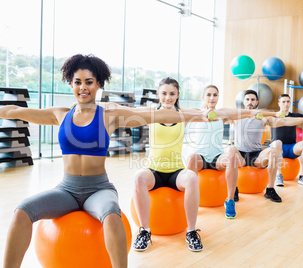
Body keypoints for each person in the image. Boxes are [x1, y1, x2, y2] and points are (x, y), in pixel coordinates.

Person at [1, 55, 207, 268]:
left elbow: (155, 115)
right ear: (70, 84)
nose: (83, 87)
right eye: (77, 82)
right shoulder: (60, 114)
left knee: (111, 214)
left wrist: (200, 115)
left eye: (89, 82)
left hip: (98, 189)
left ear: (98, 84)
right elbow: (14, 111)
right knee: (22, 212)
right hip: (66, 190)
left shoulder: (109, 114)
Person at [132, 77, 216, 252]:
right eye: (164, 93)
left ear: (178, 95)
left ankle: (191, 232)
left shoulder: (183, 115)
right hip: (153, 171)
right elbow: (126, 111)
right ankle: (145, 231)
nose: (168, 97)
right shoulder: (151, 113)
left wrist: (209, 113)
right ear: (158, 94)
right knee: (139, 177)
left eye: (172, 93)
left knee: (192, 177)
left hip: (175, 171)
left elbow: (209, 111)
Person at [185, 85, 277, 219]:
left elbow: (246, 112)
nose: (212, 98)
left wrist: (274, 113)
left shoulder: (222, 114)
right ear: (203, 97)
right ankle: (191, 200)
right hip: (200, 156)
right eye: (209, 95)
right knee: (192, 157)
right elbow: (178, 112)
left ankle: (230, 201)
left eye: (215, 95)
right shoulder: (196, 113)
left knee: (231, 156)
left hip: (217, 156)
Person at [234, 89, 303, 203]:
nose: (250, 102)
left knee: (273, 151)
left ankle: (270, 189)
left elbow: (286, 121)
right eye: (247, 99)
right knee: (230, 150)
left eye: (253, 100)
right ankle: (234, 190)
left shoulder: (263, 118)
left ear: (257, 102)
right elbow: (221, 115)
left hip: (256, 155)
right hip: (240, 155)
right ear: (243, 101)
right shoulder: (236, 116)